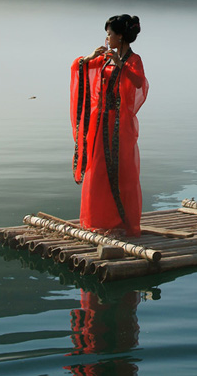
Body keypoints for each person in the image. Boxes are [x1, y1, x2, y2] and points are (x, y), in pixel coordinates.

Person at [70, 14, 148, 237]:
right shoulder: (105, 57)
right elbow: (81, 67)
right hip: (99, 120)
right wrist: (89, 57)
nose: (107, 37)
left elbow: (139, 81)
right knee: (98, 171)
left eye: (110, 33)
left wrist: (119, 63)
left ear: (120, 36)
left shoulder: (133, 59)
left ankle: (121, 222)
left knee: (122, 171)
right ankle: (98, 220)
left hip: (119, 123)